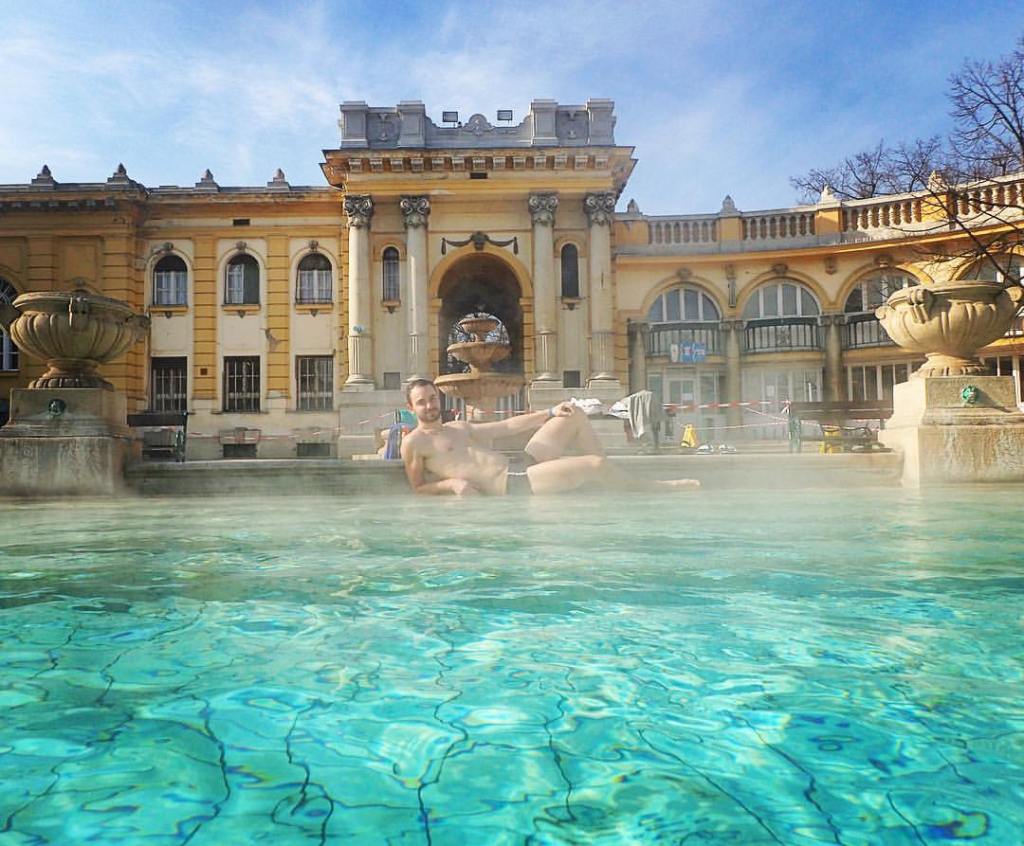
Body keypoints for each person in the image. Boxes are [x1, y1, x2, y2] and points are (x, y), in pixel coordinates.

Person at [400, 378, 700, 496]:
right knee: (594, 464)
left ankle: (610, 483)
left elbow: (507, 427)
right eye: (421, 402)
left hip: (520, 464)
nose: (430, 405)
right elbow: (418, 487)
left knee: (574, 414)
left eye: (432, 398)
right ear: (411, 407)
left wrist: (551, 411)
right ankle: (652, 489)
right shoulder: (414, 442)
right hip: (512, 483)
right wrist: (453, 484)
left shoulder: (458, 427)